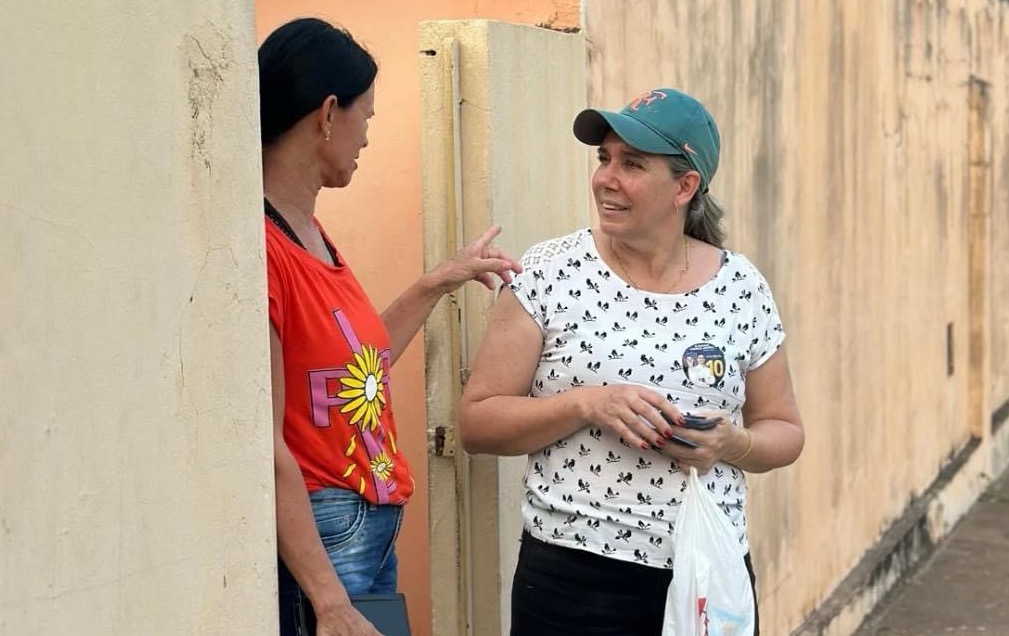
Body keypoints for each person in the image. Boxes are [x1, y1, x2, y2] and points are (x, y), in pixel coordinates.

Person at [457, 87, 804, 635]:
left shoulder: (741, 287)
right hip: (572, 581)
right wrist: (587, 403)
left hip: (708, 579)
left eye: (632, 164)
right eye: (604, 159)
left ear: (685, 186)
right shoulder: (550, 273)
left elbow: (784, 430)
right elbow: (477, 424)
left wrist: (731, 444)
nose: (605, 178)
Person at [259, 18, 521, 636]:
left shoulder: (310, 232)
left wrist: (439, 280)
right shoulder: (263, 250)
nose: (366, 138)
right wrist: (326, 599)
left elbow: (356, 368)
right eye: (366, 117)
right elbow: (265, 446)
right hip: (324, 536)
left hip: (367, 525)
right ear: (328, 113)